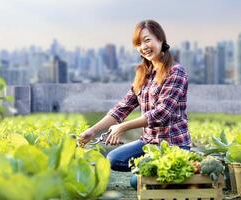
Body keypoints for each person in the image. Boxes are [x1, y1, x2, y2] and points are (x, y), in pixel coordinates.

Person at [78, 19, 192, 189]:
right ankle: (153, 171)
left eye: (147, 40)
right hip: (148, 143)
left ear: (160, 40)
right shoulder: (143, 73)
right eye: (138, 43)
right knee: (114, 159)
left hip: (174, 145)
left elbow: (161, 114)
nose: (143, 47)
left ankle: (163, 171)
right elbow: (122, 108)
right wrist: (92, 131)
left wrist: (122, 127)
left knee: (135, 181)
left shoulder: (176, 72)